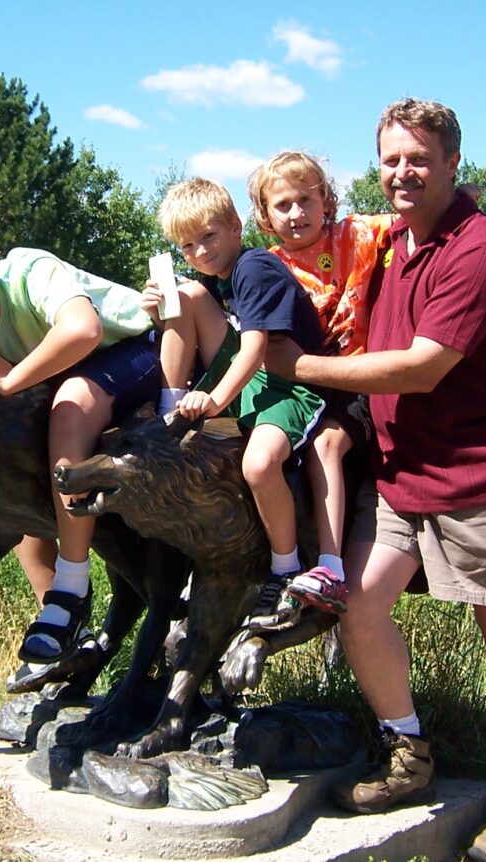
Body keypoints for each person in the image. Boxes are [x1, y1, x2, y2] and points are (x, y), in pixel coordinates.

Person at [264, 99, 486, 862]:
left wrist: (298, 368)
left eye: (419, 158)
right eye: (391, 158)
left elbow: (424, 367)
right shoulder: (387, 240)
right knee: (358, 607)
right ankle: (409, 752)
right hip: (396, 473)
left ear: (453, 162)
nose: (402, 172)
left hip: (476, 473)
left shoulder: (480, 249)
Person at [0, 219, 160, 665]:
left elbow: (83, 331)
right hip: (69, 379)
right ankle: (58, 633)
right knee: (17, 483)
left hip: (135, 352)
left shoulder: (28, 271)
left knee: (69, 406)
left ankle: (71, 589)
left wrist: (10, 379)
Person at [142, 178, 326, 623]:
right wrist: (158, 311)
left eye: (208, 237)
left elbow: (256, 346)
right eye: (188, 246)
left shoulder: (253, 268)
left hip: (291, 385)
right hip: (254, 380)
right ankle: (171, 407)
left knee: (259, 464)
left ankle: (284, 570)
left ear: (235, 227)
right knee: (182, 295)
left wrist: (216, 398)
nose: (201, 252)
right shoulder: (218, 279)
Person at [247, 151, 394, 615]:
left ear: (326, 201)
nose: (296, 214)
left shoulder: (356, 234)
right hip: (305, 387)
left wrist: (462, 199)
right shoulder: (270, 267)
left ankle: (329, 566)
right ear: (265, 217)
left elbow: (412, 218)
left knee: (325, 445)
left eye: (305, 201)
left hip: (359, 379)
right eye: (283, 205)